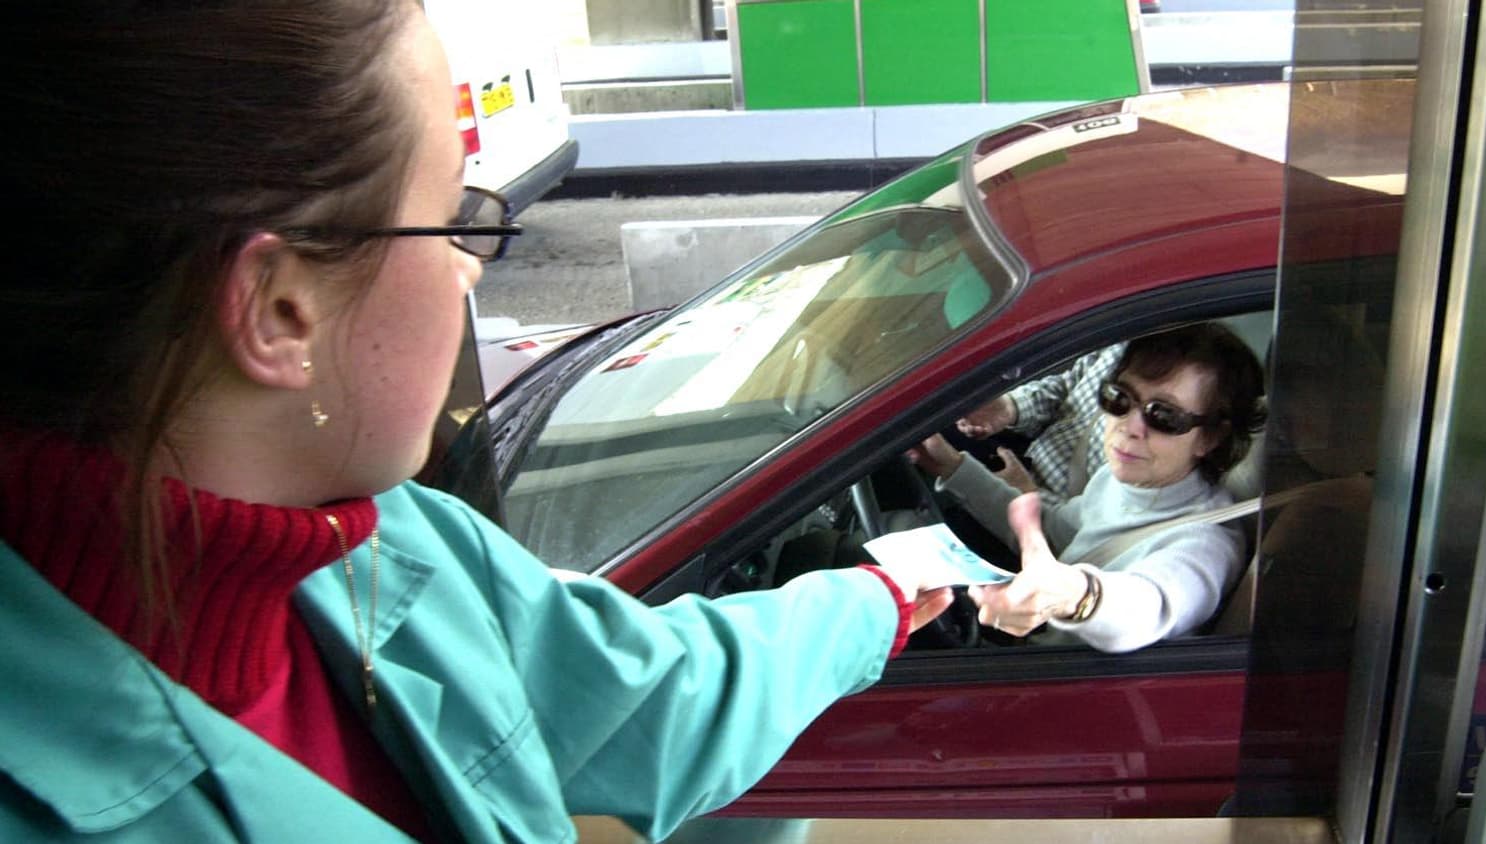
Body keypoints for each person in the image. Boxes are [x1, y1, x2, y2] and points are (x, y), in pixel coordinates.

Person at [0, 4, 958, 841]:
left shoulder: (383, 539)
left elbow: (659, 701)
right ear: (279, 309)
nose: (473, 265)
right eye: (454, 215)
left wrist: (879, 600)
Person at [909, 323, 1265, 653]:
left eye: (1164, 416)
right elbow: (1054, 532)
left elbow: (1150, 606)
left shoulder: (1206, 545)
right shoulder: (1121, 480)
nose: (1130, 426)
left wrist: (1078, 597)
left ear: (1211, 438)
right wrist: (949, 465)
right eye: (1120, 399)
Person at [954, 344, 1125, 505]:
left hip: (1044, 516)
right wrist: (1010, 408)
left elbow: (1103, 531)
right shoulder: (1127, 342)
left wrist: (1028, 493)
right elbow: (1069, 384)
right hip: (1025, 458)